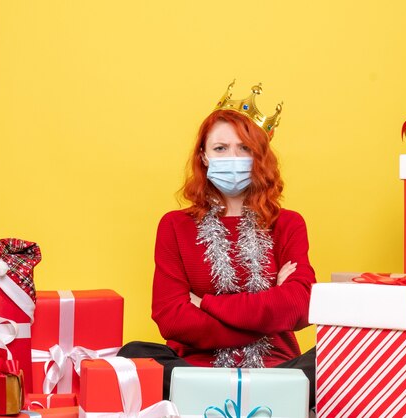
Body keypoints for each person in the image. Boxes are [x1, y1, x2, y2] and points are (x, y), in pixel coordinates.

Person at [119, 81, 316, 404]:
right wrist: (270, 305)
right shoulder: (175, 226)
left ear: (259, 157)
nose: (232, 157)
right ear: (204, 156)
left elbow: (301, 306)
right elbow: (171, 318)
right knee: (133, 356)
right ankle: (244, 397)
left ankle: (239, 396)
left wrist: (207, 304)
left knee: (336, 360)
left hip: (278, 368)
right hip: (196, 370)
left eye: (244, 149)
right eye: (221, 148)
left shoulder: (288, 223)